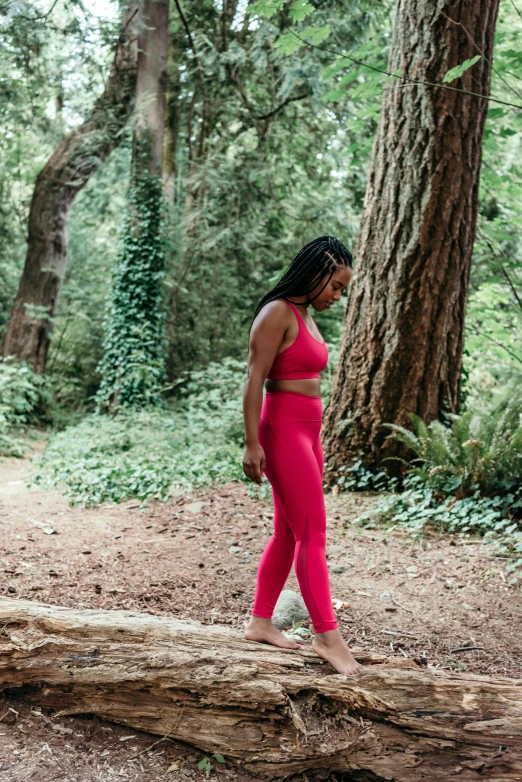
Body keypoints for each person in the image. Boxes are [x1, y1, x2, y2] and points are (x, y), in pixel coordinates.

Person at [242, 236, 364, 677]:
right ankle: (327, 637)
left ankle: (260, 621)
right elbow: (255, 379)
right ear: (316, 274)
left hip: (308, 435)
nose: (337, 296)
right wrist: (252, 442)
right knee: (313, 534)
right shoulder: (277, 312)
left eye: (342, 290)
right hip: (282, 431)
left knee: (289, 534)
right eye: (335, 286)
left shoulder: (305, 314)